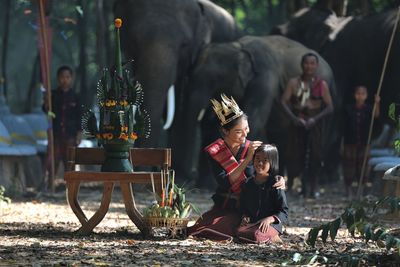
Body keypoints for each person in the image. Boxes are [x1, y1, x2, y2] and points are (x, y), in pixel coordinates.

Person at [188, 94, 285, 242]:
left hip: (252, 207)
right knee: (202, 228)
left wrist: (279, 179)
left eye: (246, 128)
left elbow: (268, 169)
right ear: (225, 131)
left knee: (233, 230)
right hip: (226, 204)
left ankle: (266, 232)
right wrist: (247, 159)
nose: (246, 134)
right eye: (239, 131)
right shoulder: (215, 151)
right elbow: (224, 182)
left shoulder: (253, 148)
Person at [281, 52, 334, 198]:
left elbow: (330, 107)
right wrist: (293, 118)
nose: (309, 66)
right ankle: (291, 184)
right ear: (302, 65)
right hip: (297, 122)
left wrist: (315, 119)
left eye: (312, 63)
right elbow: (284, 101)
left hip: (315, 124)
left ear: (316, 66)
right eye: (306, 63)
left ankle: (313, 185)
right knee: (294, 153)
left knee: (316, 154)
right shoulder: (294, 83)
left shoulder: (321, 84)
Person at [237, 144, 288, 244]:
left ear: (272, 162)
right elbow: (243, 206)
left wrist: (269, 219)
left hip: (271, 224)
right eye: (257, 158)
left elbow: (284, 211)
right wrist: (244, 216)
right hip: (253, 223)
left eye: (265, 160)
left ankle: (273, 236)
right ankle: (266, 237)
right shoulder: (247, 183)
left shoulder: (276, 183)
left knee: (256, 235)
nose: (260, 163)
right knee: (238, 232)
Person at [43, 66, 82, 175]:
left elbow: (80, 116)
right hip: (56, 134)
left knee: (70, 163)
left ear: (71, 78)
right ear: (58, 78)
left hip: (70, 135)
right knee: (53, 161)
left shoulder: (76, 97)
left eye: (67, 77)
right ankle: (50, 186)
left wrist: (79, 134)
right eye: (62, 77)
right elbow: (46, 110)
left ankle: (70, 188)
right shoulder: (53, 95)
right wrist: (47, 100)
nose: (65, 79)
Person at [343, 86, 380, 199]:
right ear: (355, 95)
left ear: (366, 96)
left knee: (363, 168)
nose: (360, 96)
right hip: (350, 142)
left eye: (363, 93)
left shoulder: (369, 109)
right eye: (358, 93)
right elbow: (343, 127)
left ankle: (361, 191)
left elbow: (376, 115)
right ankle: (349, 191)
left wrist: (377, 103)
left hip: (364, 142)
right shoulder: (348, 109)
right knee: (349, 167)